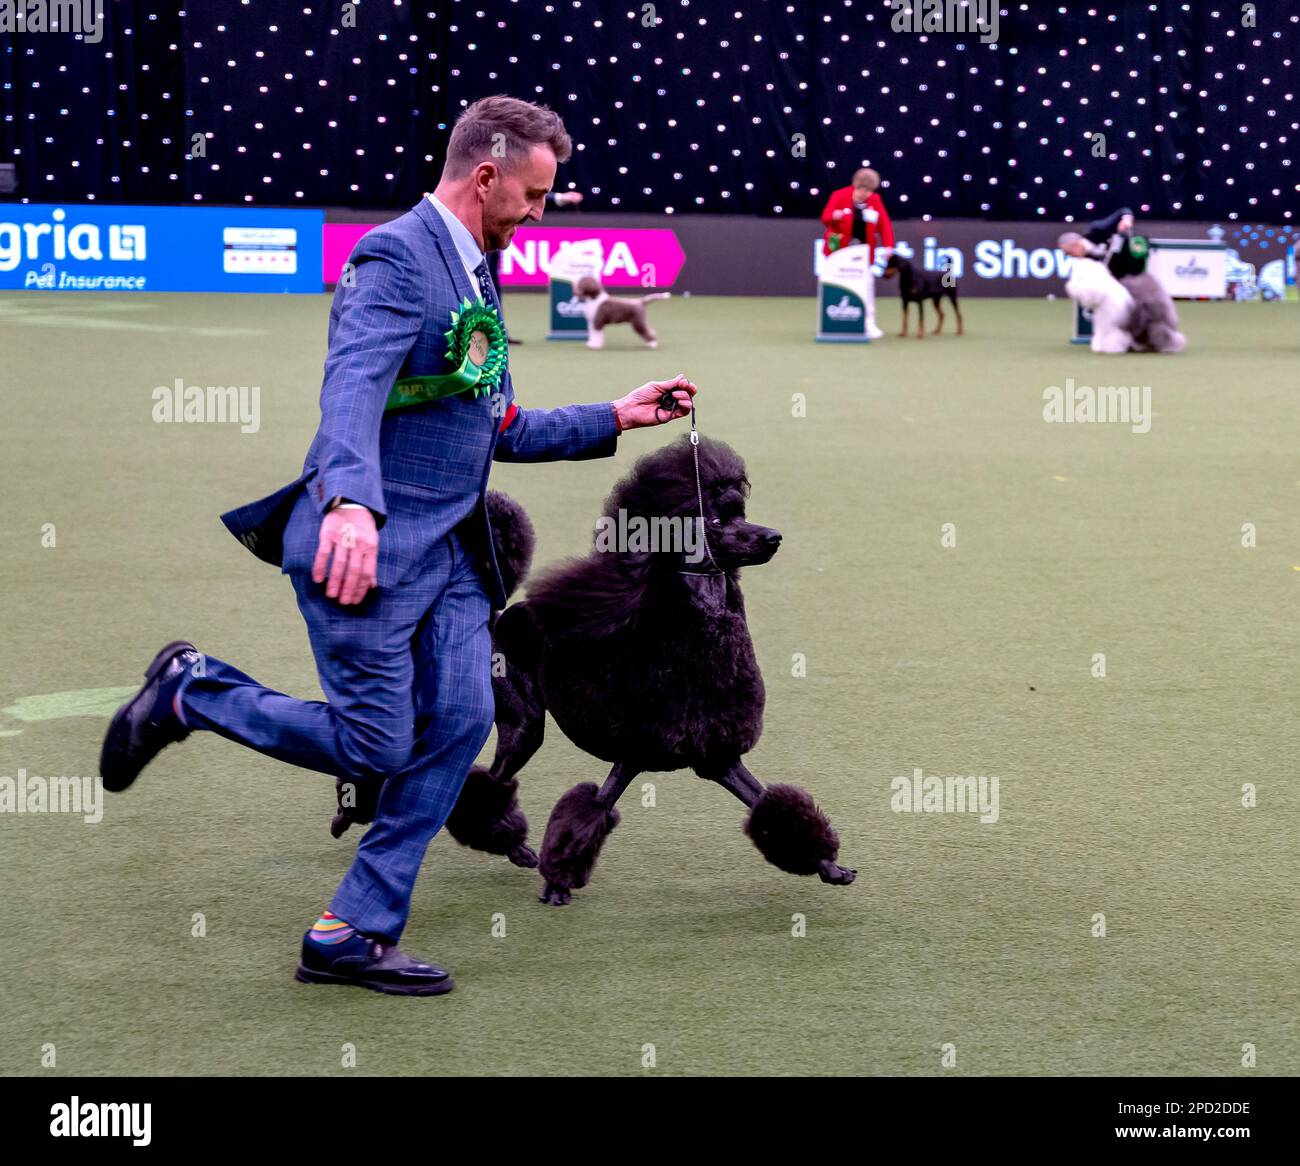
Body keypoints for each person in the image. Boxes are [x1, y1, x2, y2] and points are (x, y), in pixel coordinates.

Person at [98, 96, 696, 997]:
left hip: (453, 561)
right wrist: (346, 504)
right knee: (375, 746)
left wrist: (614, 415)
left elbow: (494, 425)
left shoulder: (479, 273)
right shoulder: (393, 258)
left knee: (459, 724)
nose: (539, 214)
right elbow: (351, 389)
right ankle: (194, 692)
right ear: (487, 176)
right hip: (363, 552)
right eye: (534, 195)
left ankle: (351, 931)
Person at [490, 189, 583, 344]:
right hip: (482, 232)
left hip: (493, 235)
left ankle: (496, 333)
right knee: (486, 284)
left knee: (492, 284)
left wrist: (560, 198)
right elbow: (520, 192)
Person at [820, 167, 895, 339]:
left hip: (863, 253)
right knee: (835, 285)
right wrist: (836, 216)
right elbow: (825, 218)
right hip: (839, 251)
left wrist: (889, 246)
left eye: (869, 191)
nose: (866, 194)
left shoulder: (875, 200)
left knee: (867, 287)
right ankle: (834, 321)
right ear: (856, 186)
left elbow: (884, 225)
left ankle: (869, 324)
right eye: (863, 189)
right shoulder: (839, 196)